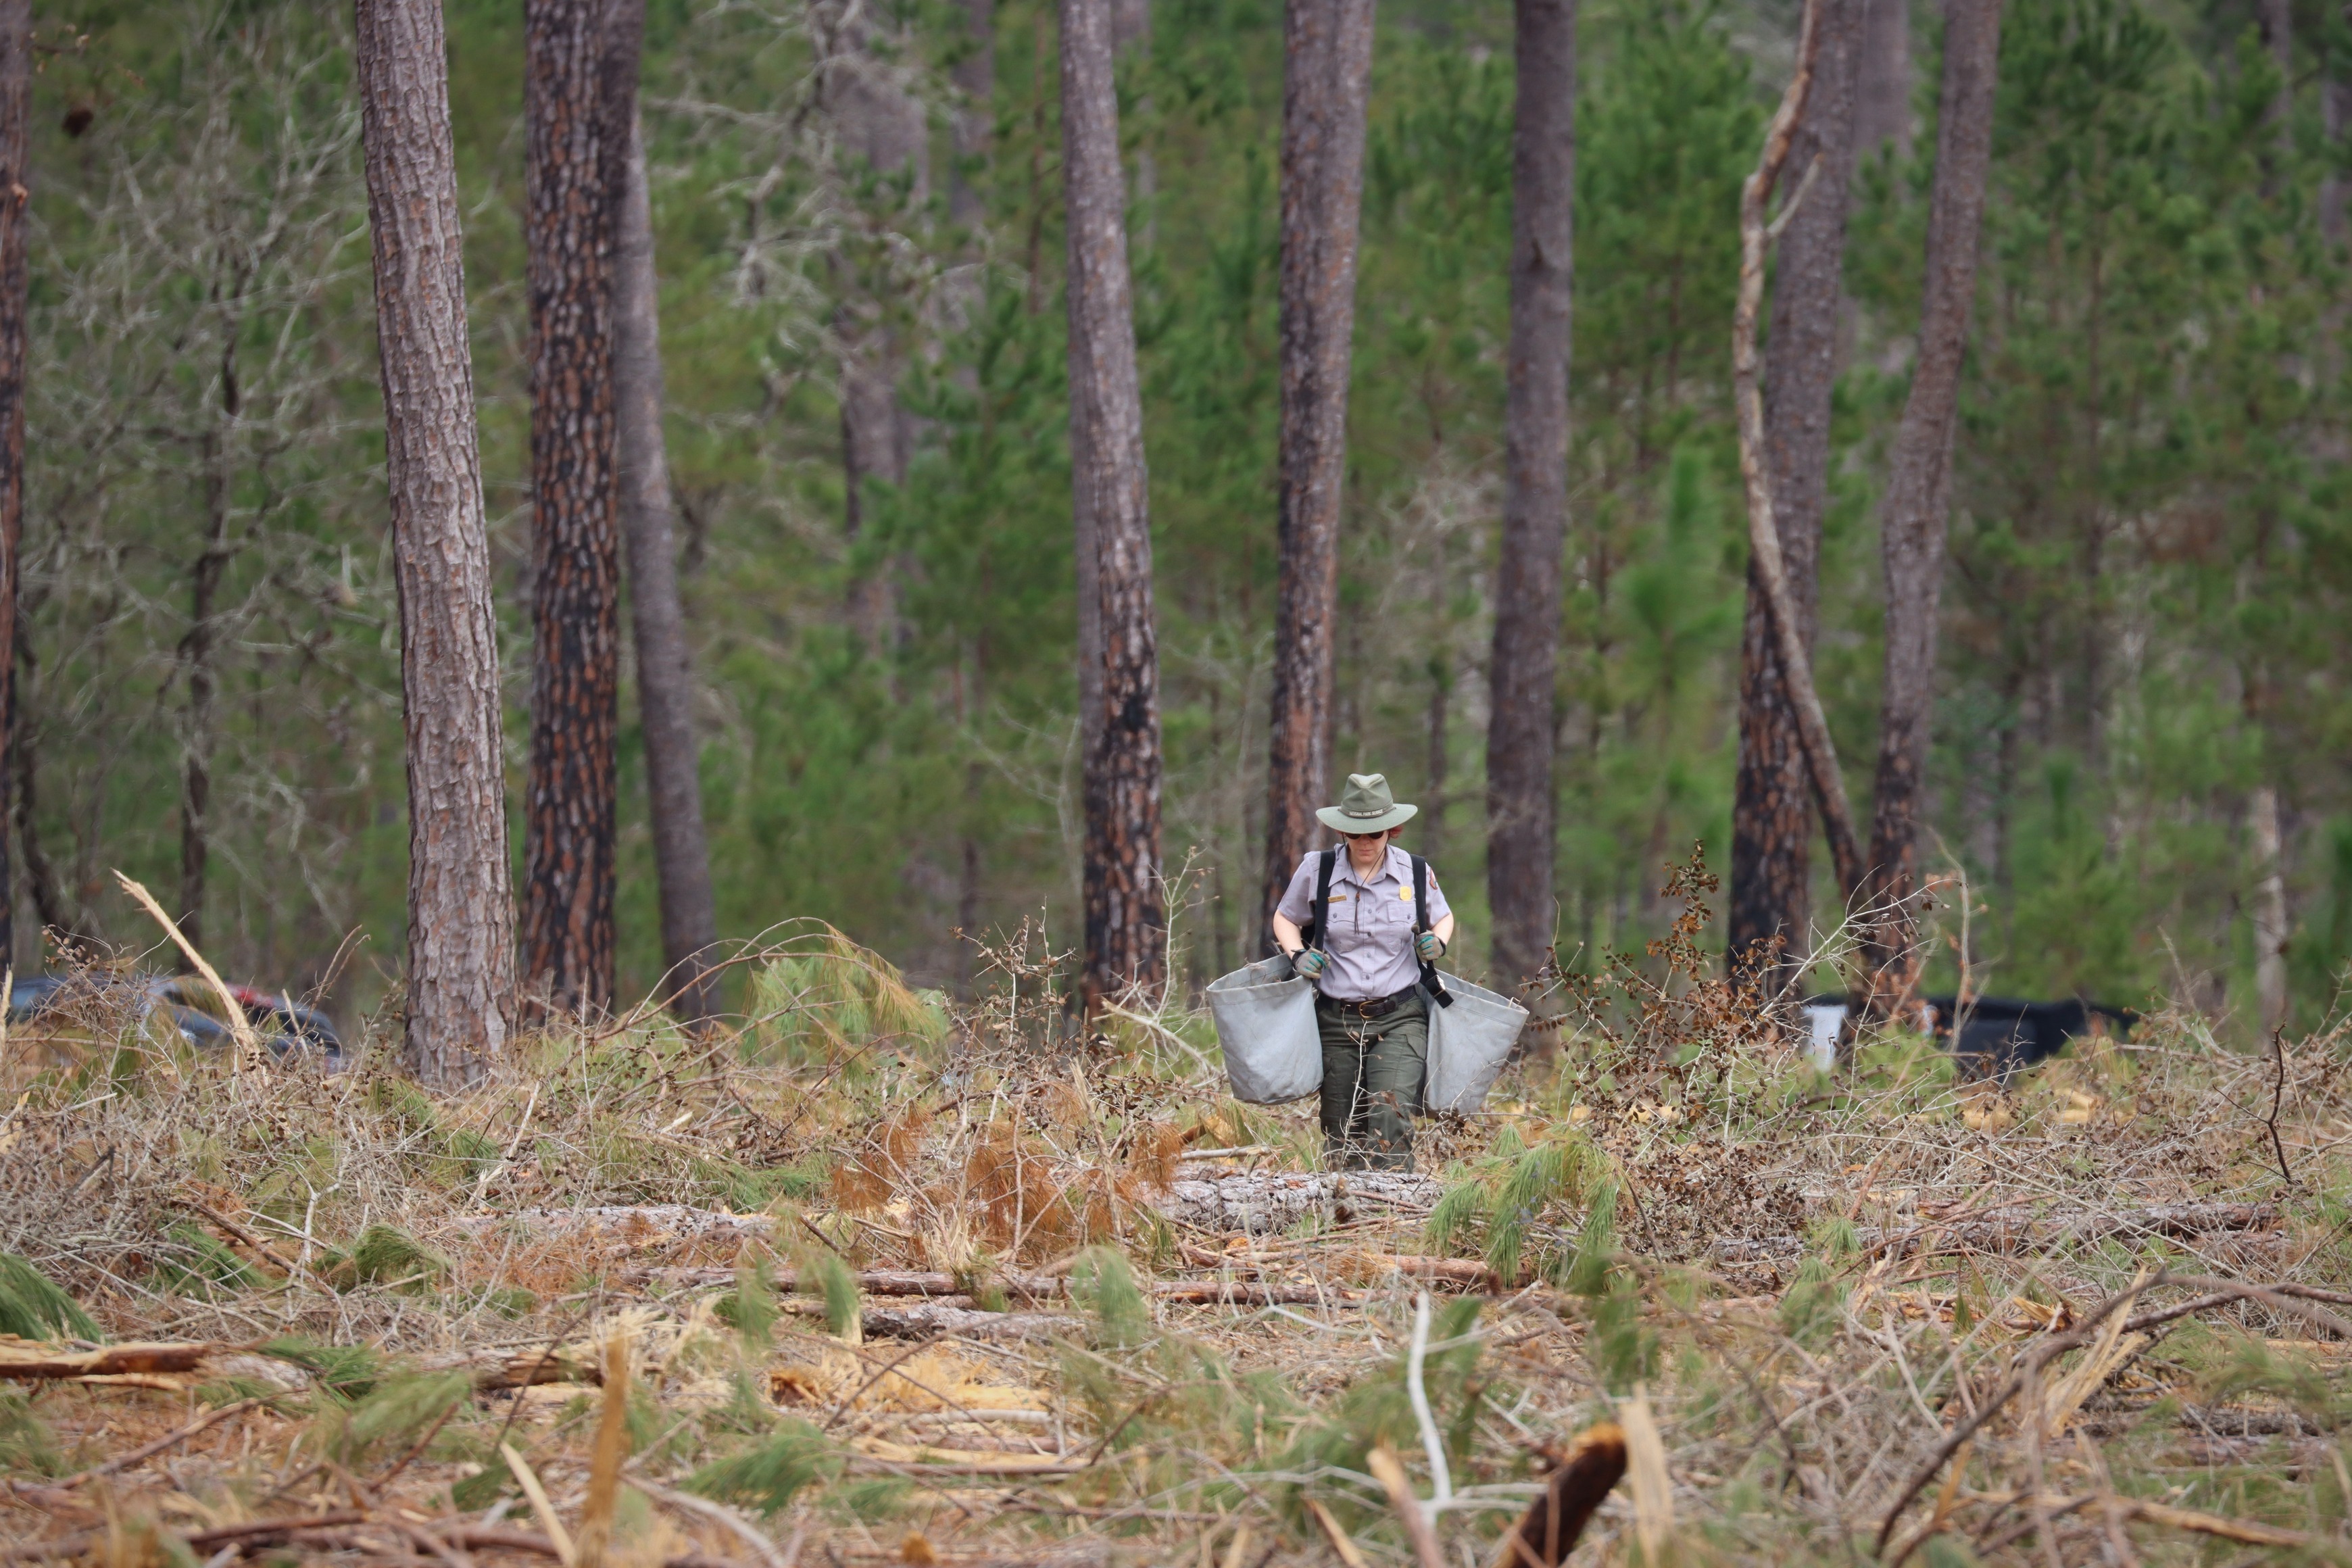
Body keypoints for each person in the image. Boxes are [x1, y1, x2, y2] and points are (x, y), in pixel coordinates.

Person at [1271, 773, 1457, 1171]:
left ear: (1392, 829)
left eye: (1375, 833)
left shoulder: (1416, 870)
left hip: (1400, 1016)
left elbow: (1443, 917)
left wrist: (1437, 942)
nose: (1366, 843)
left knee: (1389, 1118)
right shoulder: (1317, 869)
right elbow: (1286, 917)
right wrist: (1297, 954)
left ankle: (1397, 1218)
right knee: (1342, 1131)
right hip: (1336, 1019)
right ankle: (1350, 1223)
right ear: (1343, 832)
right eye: (1357, 835)